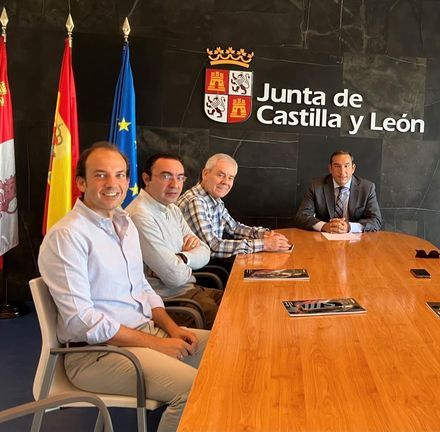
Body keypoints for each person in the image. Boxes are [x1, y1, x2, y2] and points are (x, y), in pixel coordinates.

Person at [38, 142, 208, 432]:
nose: (112, 184)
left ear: (128, 181)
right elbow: (82, 321)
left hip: (143, 333)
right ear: (81, 182)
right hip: (95, 354)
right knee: (194, 390)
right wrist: (158, 344)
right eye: (100, 175)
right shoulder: (68, 235)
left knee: (228, 352)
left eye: (119, 175)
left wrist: (172, 327)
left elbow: (141, 286)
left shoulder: (124, 224)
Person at [127, 153, 223, 329]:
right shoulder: (140, 215)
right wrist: (188, 258)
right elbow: (174, 277)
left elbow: (205, 251)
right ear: (146, 178)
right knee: (229, 324)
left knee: (239, 302)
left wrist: (182, 258)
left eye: (180, 178)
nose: (175, 185)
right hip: (170, 303)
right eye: (166, 176)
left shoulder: (172, 208)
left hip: (190, 290)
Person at [178, 153, 290, 273]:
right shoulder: (196, 201)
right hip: (199, 271)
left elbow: (234, 228)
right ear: (205, 174)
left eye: (230, 177)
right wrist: (264, 244)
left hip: (211, 263)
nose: (226, 182)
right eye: (221, 175)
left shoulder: (213, 198)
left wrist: (263, 234)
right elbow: (213, 247)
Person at [294, 150, 382, 233]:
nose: (342, 172)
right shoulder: (316, 186)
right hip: (324, 239)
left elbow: (376, 220)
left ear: (353, 168)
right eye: (337, 166)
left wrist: (349, 227)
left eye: (346, 166)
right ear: (330, 169)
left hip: (356, 241)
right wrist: (325, 226)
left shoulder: (367, 188)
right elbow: (302, 216)